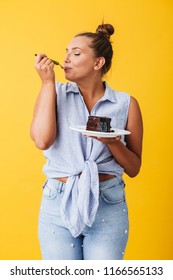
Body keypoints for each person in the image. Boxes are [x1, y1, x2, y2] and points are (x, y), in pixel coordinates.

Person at [30, 23, 143, 260]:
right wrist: (47, 83)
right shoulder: (54, 92)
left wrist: (111, 141)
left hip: (108, 202)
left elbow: (134, 168)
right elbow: (41, 140)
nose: (66, 59)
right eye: (66, 52)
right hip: (58, 200)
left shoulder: (126, 104)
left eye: (76, 53)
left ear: (98, 63)